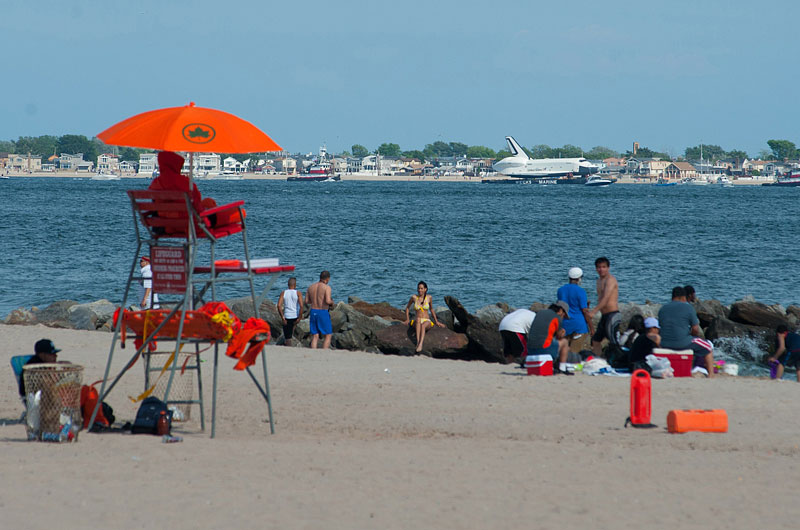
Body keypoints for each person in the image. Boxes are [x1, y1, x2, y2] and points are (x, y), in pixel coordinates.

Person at [148, 151, 242, 226]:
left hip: (162, 226)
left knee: (208, 202)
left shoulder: (155, 183)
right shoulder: (184, 183)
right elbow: (196, 204)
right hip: (192, 224)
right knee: (239, 212)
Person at [658, 286, 714, 377]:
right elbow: (695, 329)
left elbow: (661, 327)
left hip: (664, 343)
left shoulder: (662, 309)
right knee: (708, 346)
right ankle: (711, 375)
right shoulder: (688, 308)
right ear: (683, 297)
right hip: (682, 343)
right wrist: (690, 335)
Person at [527, 301, 574, 374]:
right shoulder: (557, 318)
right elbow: (559, 337)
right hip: (543, 349)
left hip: (530, 350)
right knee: (565, 342)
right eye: (564, 315)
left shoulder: (540, 313)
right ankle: (562, 368)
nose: (563, 318)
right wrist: (562, 332)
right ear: (560, 311)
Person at [557, 267, 594, 353]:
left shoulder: (560, 290)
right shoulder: (581, 291)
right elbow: (584, 310)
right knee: (575, 352)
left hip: (565, 324)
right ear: (579, 278)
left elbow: (562, 306)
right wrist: (592, 328)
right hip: (579, 325)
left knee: (564, 351)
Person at [588, 257, 620, 357]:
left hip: (612, 314)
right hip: (604, 315)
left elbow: (606, 298)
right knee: (596, 340)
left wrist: (593, 312)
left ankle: (617, 361)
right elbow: (600, 298)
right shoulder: (598, 281)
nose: (601, 269)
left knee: (613, 341)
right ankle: (598, 360)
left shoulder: (610, 280)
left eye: (604, 267)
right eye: (599, 267)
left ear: (608, 268)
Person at [404, 281, 445, 353]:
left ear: (425, 289)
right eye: (418, 288)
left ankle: (420, 344)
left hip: (427, 321)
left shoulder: (429, 297)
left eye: (421, 288)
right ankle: (417, 342)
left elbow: (431, 309)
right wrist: (407, 319)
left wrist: (437, 321)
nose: (420, 290)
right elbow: (407, 308)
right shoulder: (414, 298)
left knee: (423, 325)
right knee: (418, 320)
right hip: (417, 320)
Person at [306, 270, 333, 349]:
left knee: (315, 335)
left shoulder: (311, 287)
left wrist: (314, 300)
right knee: (328, 335)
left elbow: (307, 301)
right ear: (327, 279)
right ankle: (324, 353)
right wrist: (332, 303)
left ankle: (314, 352)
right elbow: (327, 301)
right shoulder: (327, 287)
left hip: (313, 311)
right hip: (322, 312)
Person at [277, 277, 304, 347]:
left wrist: (282, 317)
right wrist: (299, 317)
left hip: (287, 316)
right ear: (295, 285)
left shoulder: (284, 293)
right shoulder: (298, 293)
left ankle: (289, 346)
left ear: (288, 285)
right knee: (291, 332)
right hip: (295, 316)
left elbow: (279, 306)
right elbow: (301, 306)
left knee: (287, 337)